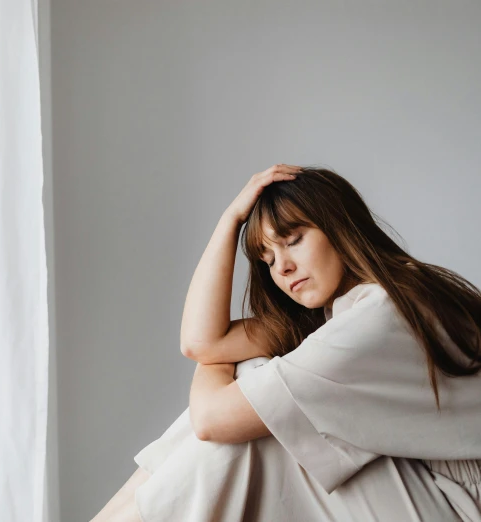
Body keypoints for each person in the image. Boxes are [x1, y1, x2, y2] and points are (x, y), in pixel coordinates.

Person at [90, 165, 481, 522]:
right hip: (431, 492)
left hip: (458, 506)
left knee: (254, 419)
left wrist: (219, 360)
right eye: (266, 258)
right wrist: (229, 221)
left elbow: (210, 419)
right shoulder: (345, 310)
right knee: (256, 393)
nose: (282, 268)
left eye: (293, 240)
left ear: (340, 227)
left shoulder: (382, 315)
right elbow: (200, 342)